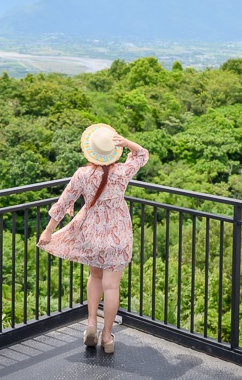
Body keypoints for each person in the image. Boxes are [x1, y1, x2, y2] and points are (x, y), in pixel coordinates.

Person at [37, 123, 149, 354]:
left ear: (91, 151)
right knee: (112, 286)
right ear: (113, 151)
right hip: (118, 234)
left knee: (94, 276)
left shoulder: (83, 174)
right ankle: (107, 336)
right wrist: (126, 143)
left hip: (92, 234)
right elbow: (142, 154)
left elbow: (64, 203)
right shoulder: (122, 172)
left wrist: (48, 231)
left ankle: (91, 324)